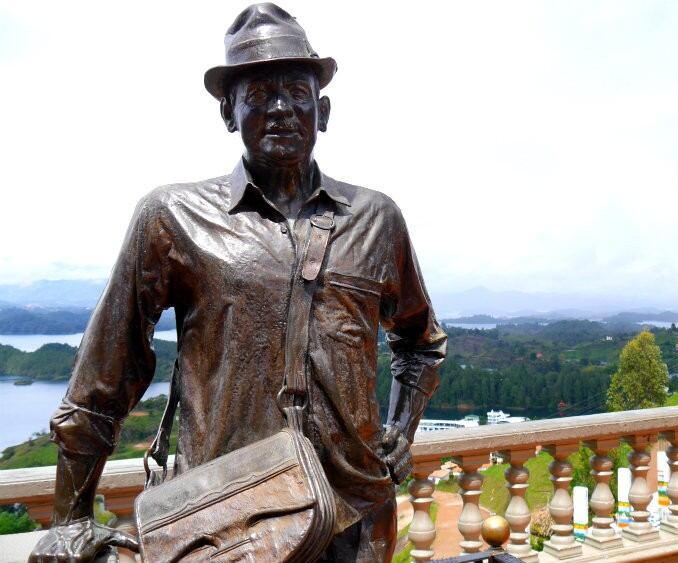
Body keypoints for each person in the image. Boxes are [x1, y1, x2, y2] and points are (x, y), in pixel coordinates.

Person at [29, 4, 446, 562]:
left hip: (355, 517)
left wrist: (401, 427)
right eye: (258, 93)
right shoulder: (171, 216)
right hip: (230, 519)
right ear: (229, 112)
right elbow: (107, 369)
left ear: (323, 111)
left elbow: (420, 341)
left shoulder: (376, 219)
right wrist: (70, 519)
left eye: (296, 92)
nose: (280, 109)